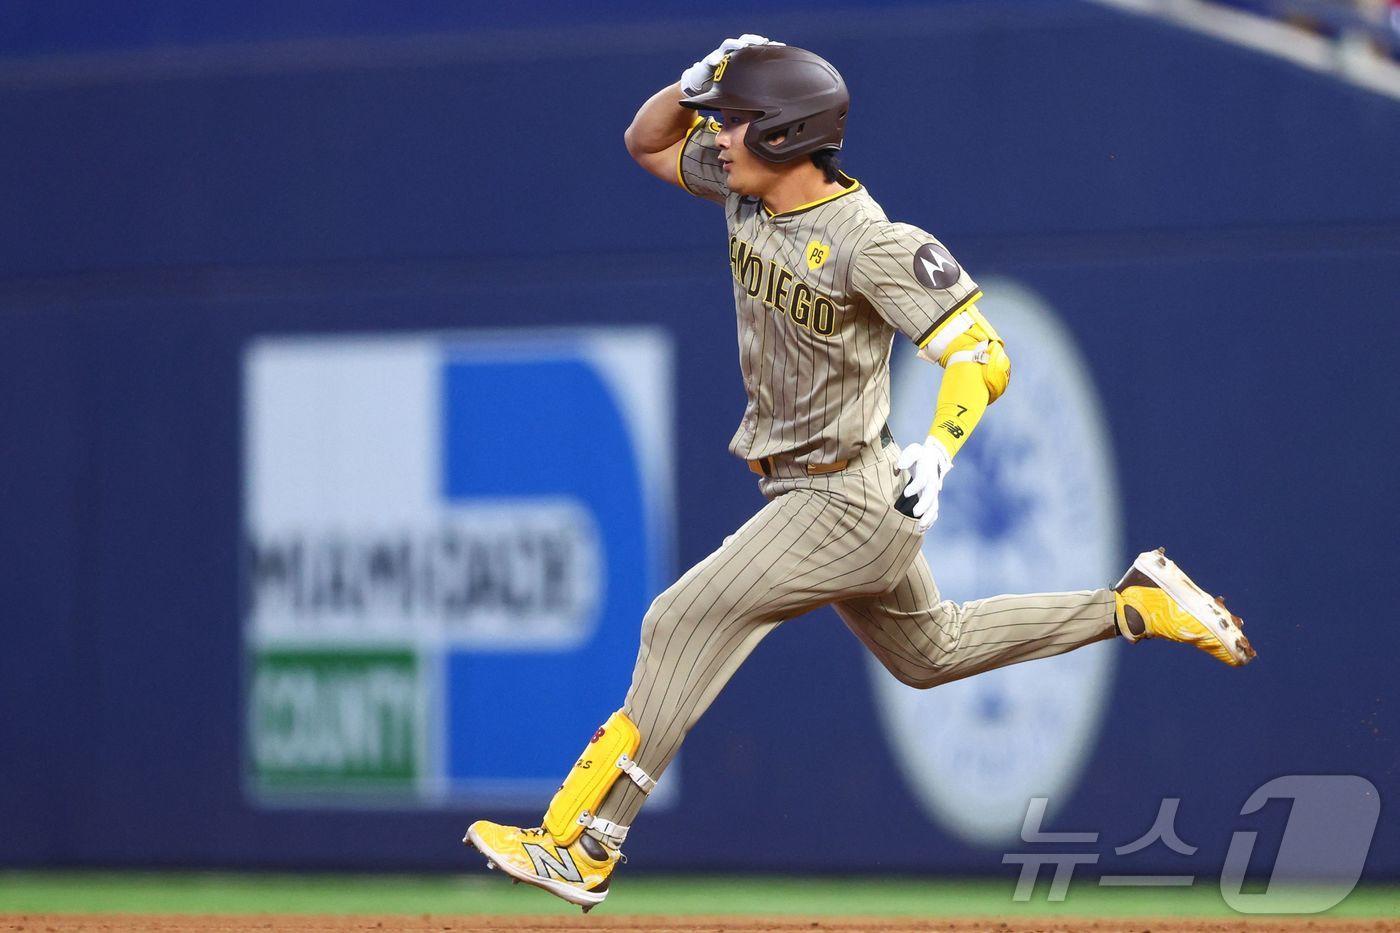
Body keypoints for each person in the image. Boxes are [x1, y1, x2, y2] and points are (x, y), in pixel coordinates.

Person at [464, 36, 1255, 912]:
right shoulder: (741, 191)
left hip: (848, 493)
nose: (717, 133)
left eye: (734, 120)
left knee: (678, 619)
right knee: (931, 651)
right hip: (817, 486)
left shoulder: (870, 241)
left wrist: (941, 448)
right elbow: (645, 142)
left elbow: (980, 354)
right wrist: (696, 81)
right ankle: (1134, 604)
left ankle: (586, 841)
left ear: (783, 133)